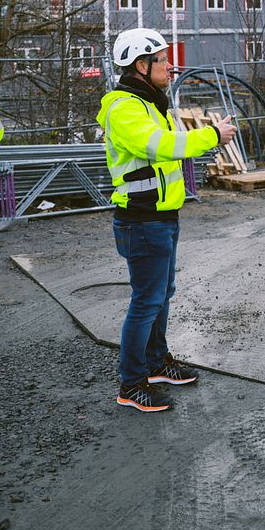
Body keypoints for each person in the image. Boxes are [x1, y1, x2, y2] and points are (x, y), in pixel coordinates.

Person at [97, 27, 236, 413]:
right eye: (162, 59)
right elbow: (163, 148)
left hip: (161, 216)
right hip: (141, 221)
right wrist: (211, 135)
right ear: (141, 65)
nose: (170, 65)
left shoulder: (149, 102)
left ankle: (156, 363)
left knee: (161, 295)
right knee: (145, 301)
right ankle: (131, 384)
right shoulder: (125, 108)